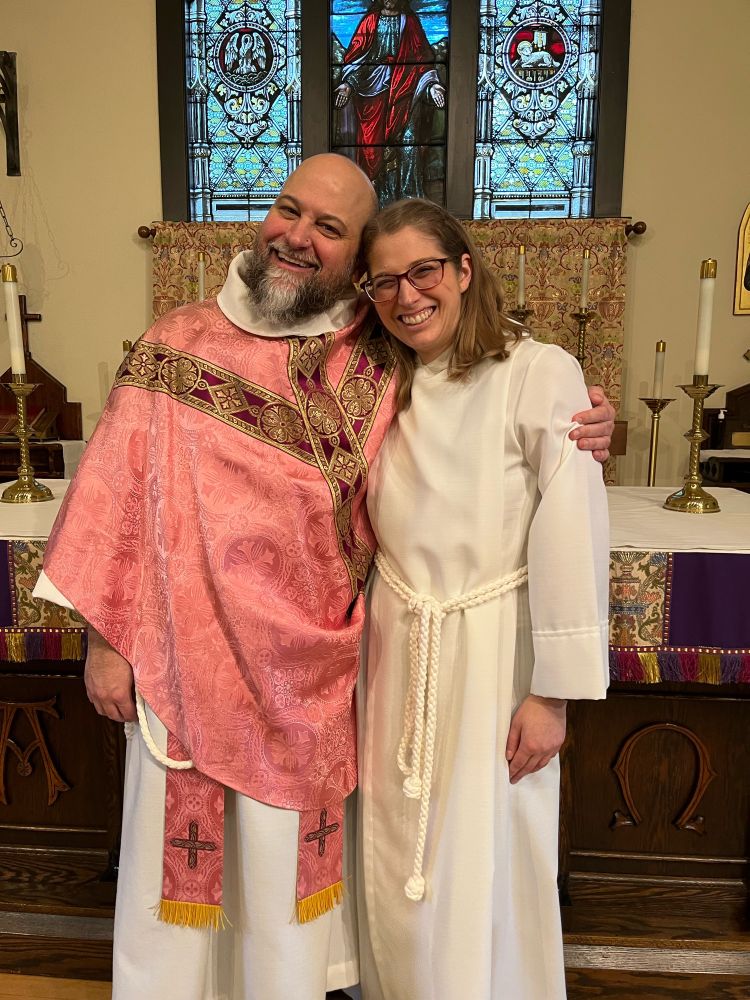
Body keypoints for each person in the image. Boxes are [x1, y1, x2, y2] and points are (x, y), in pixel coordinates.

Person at [35, 156, 613, 1000]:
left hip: (310, 681)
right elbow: (113, 497)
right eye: (287, 210)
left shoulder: (377, 357)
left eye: (329, 229)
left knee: (301, 902)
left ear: (356, 264)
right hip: (178, 668)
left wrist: (582, 420)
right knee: (178, 891)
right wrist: (105, 642)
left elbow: (489, 397)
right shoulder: (175, 343)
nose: (297, 237)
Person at [354, 198, 610, 999]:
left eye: (423, 271)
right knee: (397, 851)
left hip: (496, 651)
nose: (407, 296)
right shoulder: (375, 382)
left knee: (487, 857)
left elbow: (573, 521)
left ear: (465, 270)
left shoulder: (538, 370)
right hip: (395, 645)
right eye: (385, 281)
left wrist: (554, 693)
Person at [334, 0, 445, 202]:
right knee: (375, 146)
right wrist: (348, 83)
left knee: (409, 142)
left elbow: (422, 60)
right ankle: (379, 200)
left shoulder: (410, 22)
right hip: (372, 91)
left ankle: (409, 200)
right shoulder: (369, 22)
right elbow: (357, 57)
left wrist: (432, 85)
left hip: (406, 89)